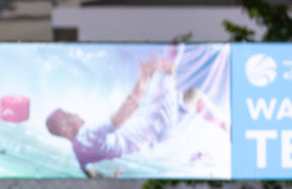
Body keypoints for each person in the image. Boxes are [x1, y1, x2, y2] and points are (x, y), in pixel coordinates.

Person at [45, 54, 225, 177]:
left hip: (151, 140)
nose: (76, 113)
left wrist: (108, 178)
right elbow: (128, 108)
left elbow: (89, 173)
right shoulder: (89, 133)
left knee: (192, 95)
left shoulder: (78, 151)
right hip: (151, 126)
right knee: (165, 70)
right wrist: (144, 77)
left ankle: (213, 140)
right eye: (70, 115)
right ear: (66, 126)